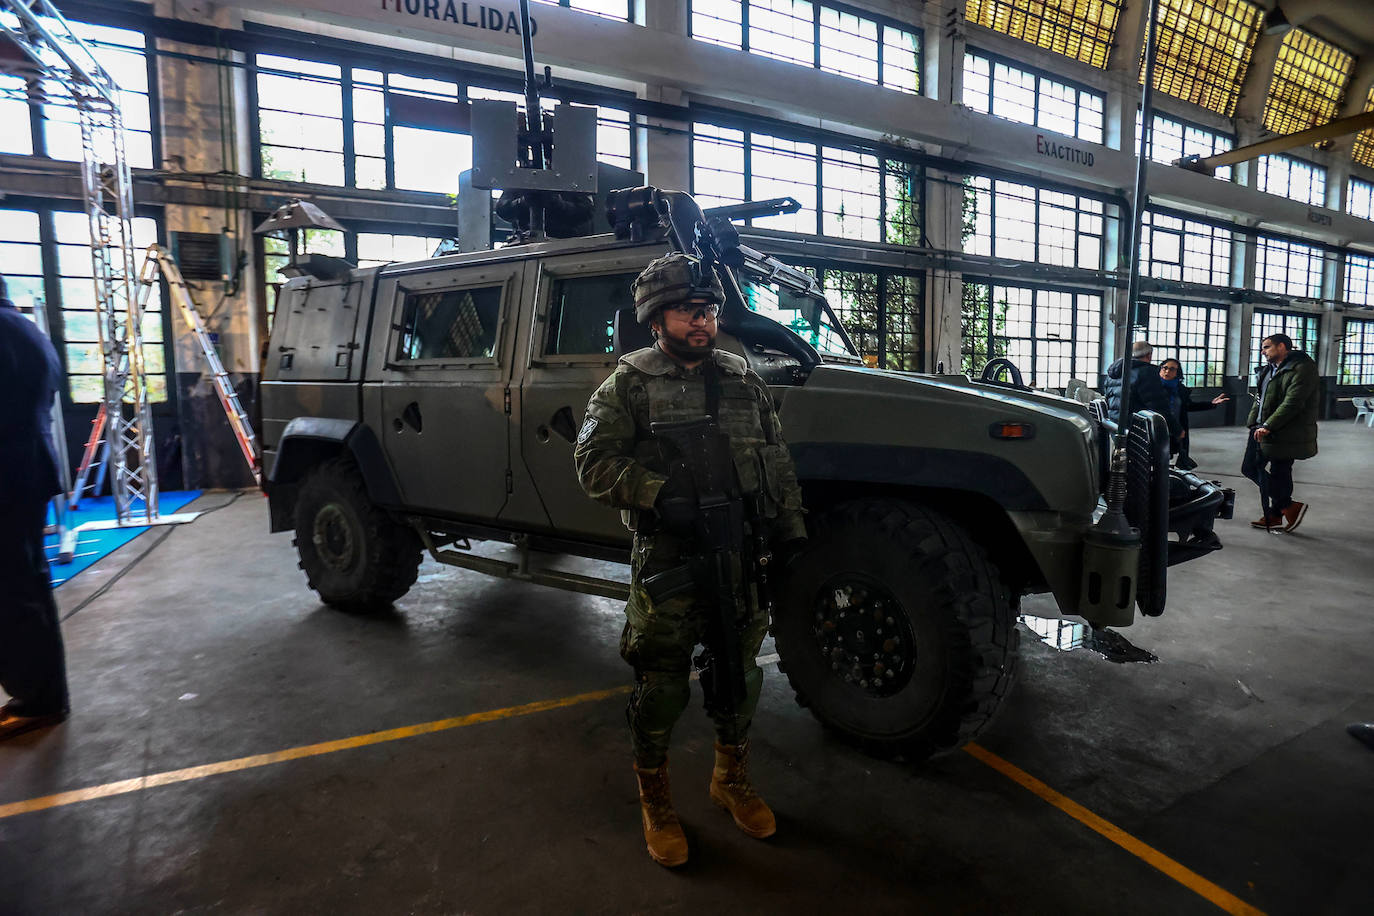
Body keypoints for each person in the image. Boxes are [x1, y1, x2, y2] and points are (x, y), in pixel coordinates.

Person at [573, 253, 806, 868]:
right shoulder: (628, 383)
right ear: (656, 319)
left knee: (739, 676)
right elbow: (591, 464)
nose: (700, 321)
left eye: (706, 310)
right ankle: (655, 798)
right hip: (671, 559)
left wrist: (791, 534)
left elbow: (777, 460)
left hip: (740, 554)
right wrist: (657, 494)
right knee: (662, 686)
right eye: (685, 310)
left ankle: (730, 780)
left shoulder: (741, 376)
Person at [0, 274, 71, 740]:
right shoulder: (23, 328)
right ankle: (40, 693)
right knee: (24, 582)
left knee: (13, 589)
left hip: (9, 473)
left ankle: (39, 699)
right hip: (25, 470)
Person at [1244, 332, 1319, 531]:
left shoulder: (1302, 369)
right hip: (1260, 428)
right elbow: (1259, 399)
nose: (1263, 351)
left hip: (1285, 431)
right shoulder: (1268, 370)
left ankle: (1278, 513)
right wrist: (1254, 422)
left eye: (1267, 347)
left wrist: (1268, 425)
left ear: (1283, 347)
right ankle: (1286, 507)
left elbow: (1293, 403)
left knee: (1280, 470)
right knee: (1250, 467)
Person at [1158, 358, 1229, 470]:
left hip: (1176, 430)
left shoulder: (1180, 390)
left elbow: (1188, 406)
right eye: (1165, 368)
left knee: (1169, 460)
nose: (1167, 371)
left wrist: (1211, 403)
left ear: (1177, 372)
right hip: (1157, 429)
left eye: (1172, 369)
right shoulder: (1153, 388)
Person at [1103, 340, 1181, 443]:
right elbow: (1158, 405)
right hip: (1137, 431)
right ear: (1149, 355)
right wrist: (1176, 430)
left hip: (1115, 427)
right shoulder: (1146, 372)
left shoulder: (1113, 374)